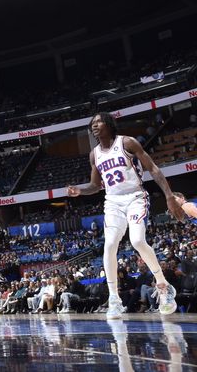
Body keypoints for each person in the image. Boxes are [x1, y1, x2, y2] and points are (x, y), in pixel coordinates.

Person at [67, 112, 185, 319]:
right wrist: (80, 190)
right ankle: (114, 299)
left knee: (138, 240)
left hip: (135, 197)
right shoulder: (94, 154)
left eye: (98, 122)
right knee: (110, 245)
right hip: (112, 202)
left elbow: (153, 169)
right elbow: (95, 186)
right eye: (92, 124)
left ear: (110, 124)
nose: (94, 126)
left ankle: (164, 287)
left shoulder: (127, 143)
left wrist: (169, 196)